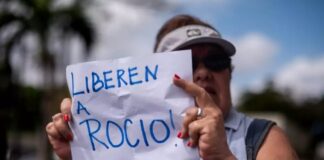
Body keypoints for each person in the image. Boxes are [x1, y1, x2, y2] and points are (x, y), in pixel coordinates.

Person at [46, 14, 298, 160]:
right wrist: (83, 153)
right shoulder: (122, 144)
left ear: (229, 73)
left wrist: (223, 157)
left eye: (216, 60)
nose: (202, 72)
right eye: (187, 61)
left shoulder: (262, 138)